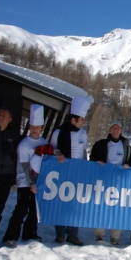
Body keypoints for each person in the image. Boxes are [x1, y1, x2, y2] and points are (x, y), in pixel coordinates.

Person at [2, 105, 45, 247]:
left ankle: (29, 234)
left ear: (41, 127)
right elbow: (25, 166)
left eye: (37, 127)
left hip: (38, 184)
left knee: (34, 210)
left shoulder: (44, 143)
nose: (34, 129)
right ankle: (10, 236)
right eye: (32, 126)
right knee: (21, 209)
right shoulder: (24, 144)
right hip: (25, 182)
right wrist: (31, 183)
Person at [50, 96, 91, 246]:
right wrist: (58, 153)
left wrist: (85, 167)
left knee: (75, 203)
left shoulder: (83, 134)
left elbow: (84, 151)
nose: (83, 122)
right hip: (62, 171)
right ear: (73, 120)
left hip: (77, 172)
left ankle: (73, 234)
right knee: (61, 202)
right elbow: (52, 148)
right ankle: (60, 233)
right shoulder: (59, 132)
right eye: (81, 119)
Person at [89, 120, 131, 245]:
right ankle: (99, 234)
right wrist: (98, 162)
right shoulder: (100, 144)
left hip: (120, 182)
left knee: (117, 208)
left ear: (121, 130)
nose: (115, 130)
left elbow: (130, 163)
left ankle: (115, 236)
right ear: (109, 130)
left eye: (118, 128)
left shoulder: (127, 147)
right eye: (113, 128)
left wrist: (127, 165)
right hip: (103, 180)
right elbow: (92, 160)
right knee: (100, 206)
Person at [0, 107, 18, 246]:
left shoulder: (12, 136)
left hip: (5, 178)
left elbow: (16, 157)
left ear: (9, 119)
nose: (0, 117)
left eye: (3, 115)